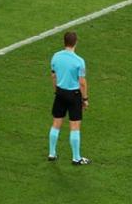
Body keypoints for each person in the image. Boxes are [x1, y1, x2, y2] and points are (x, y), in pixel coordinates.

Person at [47, 31, 90, 165]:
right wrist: (85, 99)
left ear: (64, 42)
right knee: (75, 126)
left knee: (56, 123)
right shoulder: (79, 61)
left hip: (60, 93)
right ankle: (76, 158)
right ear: (75, 42)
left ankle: (52, 153)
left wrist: (56, 91)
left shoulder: (56, 56)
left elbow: (53, 76)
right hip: (74, 95)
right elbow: (82, 83)